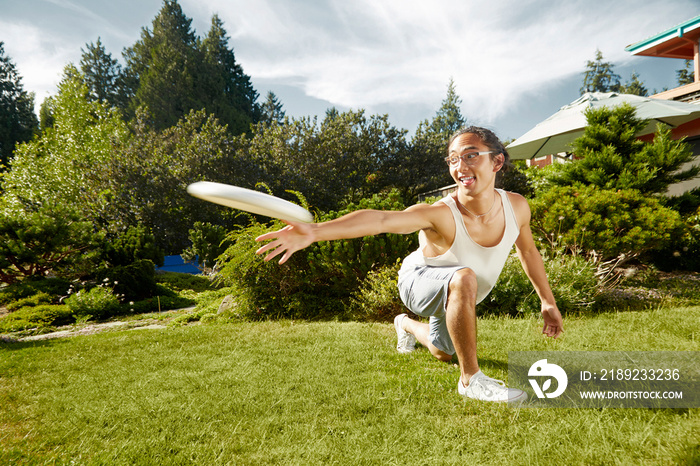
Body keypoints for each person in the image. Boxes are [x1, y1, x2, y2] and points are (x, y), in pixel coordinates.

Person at [255, 126, 563, 403]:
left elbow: (529, 252)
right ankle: (471, 381)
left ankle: (404, 324)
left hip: (457, 290)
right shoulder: (440, 213)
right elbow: (382, 219)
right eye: (453, 159)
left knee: (444, 351)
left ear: (496, 162)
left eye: (471, 156)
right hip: (419, 280)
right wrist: (315, 232)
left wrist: (547, 301)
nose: (460, 166)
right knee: (465, 277)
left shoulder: (516, 206)